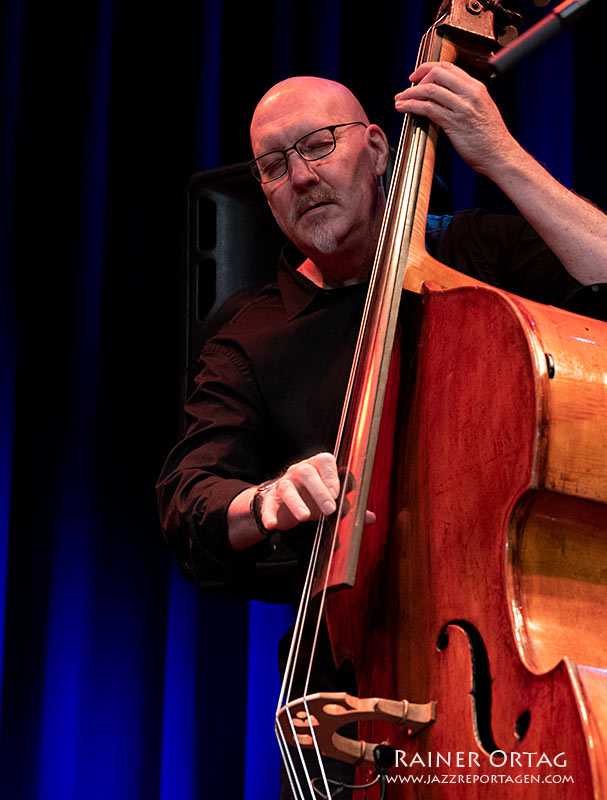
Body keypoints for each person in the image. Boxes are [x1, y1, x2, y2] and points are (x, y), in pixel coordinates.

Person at [157, 66, 607, 797]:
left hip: (517, 677)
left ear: (376, 146)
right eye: (274, 166)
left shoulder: (483, 259)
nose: (299, 176)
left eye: (318, 145)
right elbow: (189, 500)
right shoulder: (247, 336)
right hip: (350, 706)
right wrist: (265, 500)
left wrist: (499, 155)